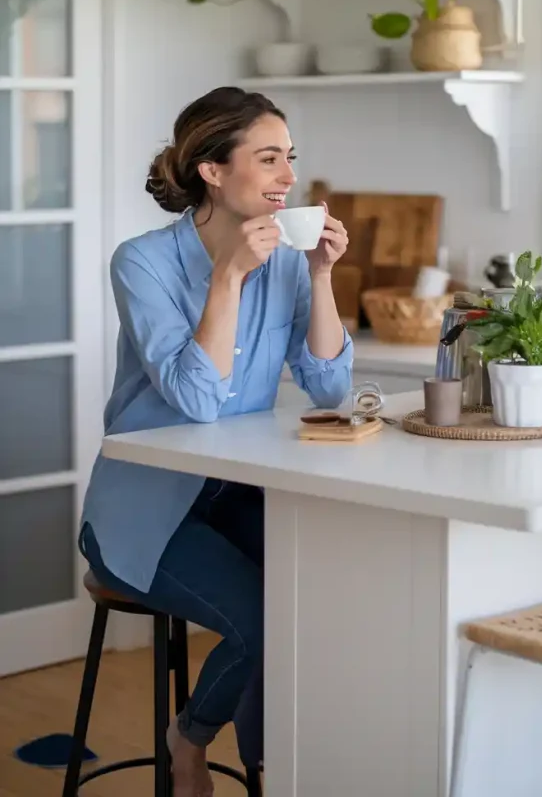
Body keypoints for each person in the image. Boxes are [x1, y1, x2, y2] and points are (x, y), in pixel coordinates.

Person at [79, 86, 352, 797]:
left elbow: (327, 389)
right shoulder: (141, 262)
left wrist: (320, 275)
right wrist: (228, 275)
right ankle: (189, 737)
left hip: (234, 494)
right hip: (142, 510)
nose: (288, 177)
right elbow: (198, 399)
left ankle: (269, 769)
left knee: (316, 598)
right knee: (262, 622)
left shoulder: (290, 261)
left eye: (289, 158)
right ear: (211, 170)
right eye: (267, 159)